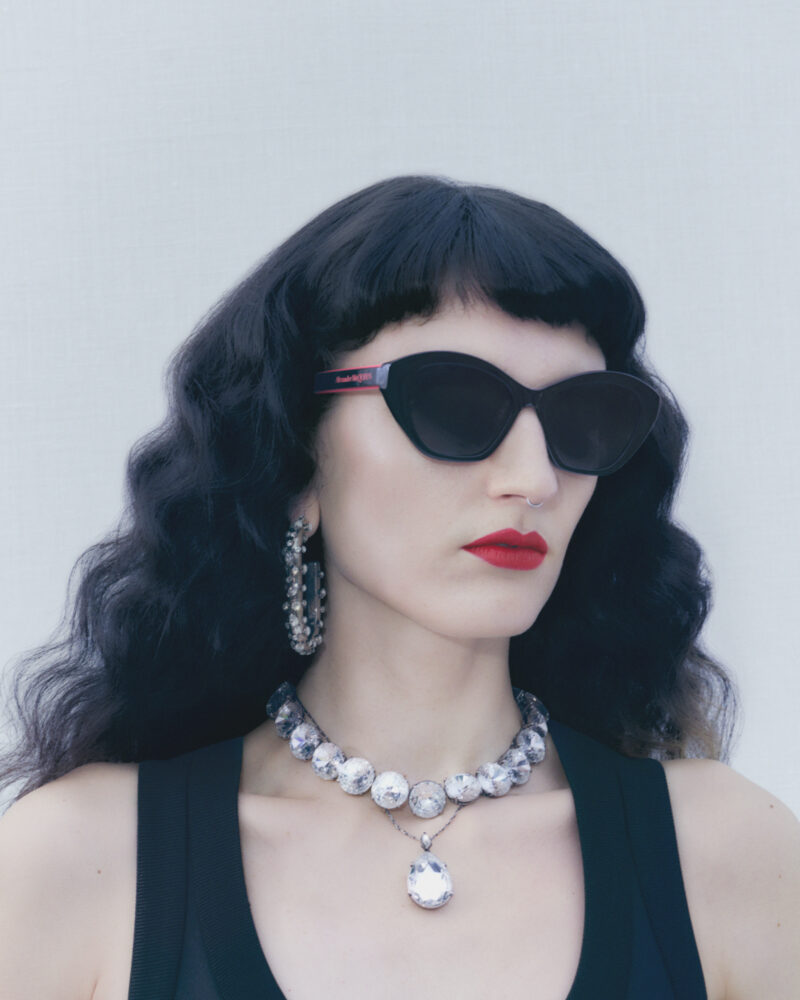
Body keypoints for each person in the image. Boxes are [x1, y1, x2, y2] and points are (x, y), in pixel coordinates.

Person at [0, 176, 797, 1000]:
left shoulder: (727, 858)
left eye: (581, 419)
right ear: (295, 459)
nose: (534, 479)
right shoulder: (81, 868)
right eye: (455, 405)